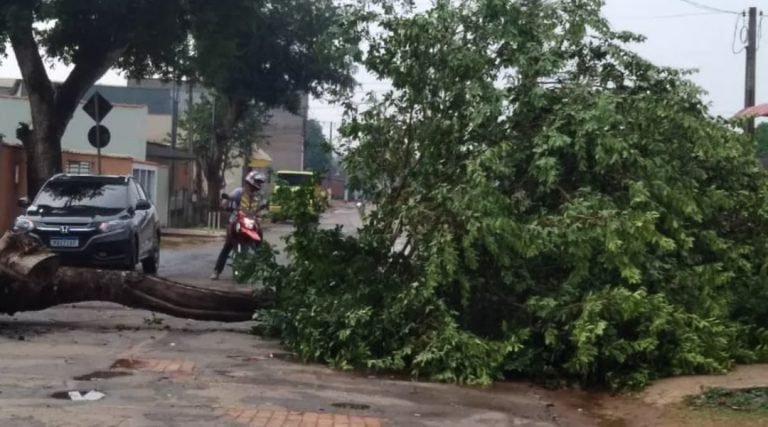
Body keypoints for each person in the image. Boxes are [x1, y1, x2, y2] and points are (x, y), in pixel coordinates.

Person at [210, 170, 266, 280]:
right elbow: (227, 200)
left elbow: (261, 208)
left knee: (260, 237)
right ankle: (216, 271)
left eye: (259, 183)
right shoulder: (239, 192)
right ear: (249, 182)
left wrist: (261, 213)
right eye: (256, 182)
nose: (257, 185)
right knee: (228, 245)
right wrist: (226, 205)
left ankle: (260, 265)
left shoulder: (258, 196)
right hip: (237, 220)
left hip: (251, 222)